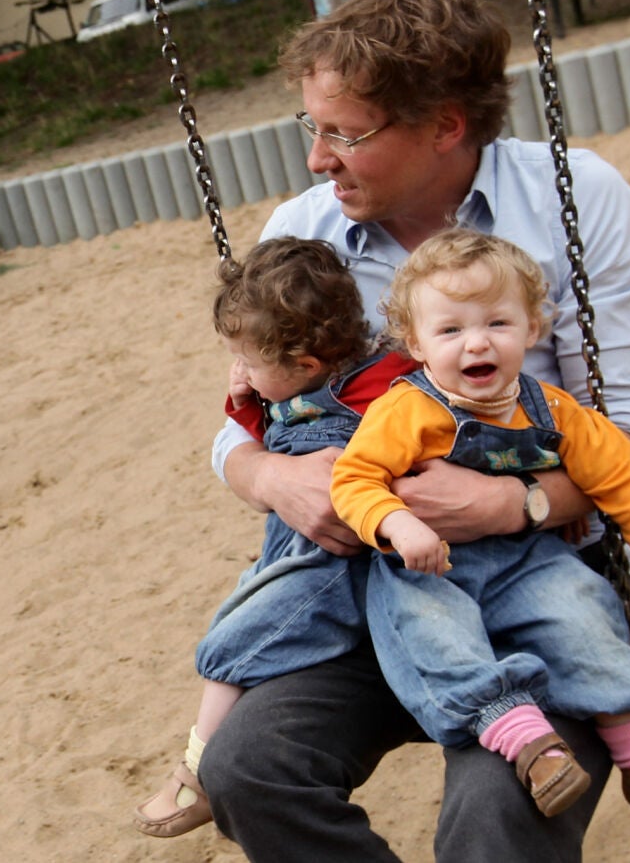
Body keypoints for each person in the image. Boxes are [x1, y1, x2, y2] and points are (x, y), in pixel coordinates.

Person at [199, 0, 630, 861]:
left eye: (346, 133)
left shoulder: (576, 199)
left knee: (495, 816)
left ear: (446, 125)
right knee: (248, 767)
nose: (318, 158)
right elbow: (241, 426)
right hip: (368, 590)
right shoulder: (306, 232)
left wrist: (514, 504)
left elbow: (624, 426)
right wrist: (276, 479)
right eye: (312, 127)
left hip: (541, 579)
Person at [333, 228, 630, 830]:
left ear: (531, 329)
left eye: (497, 323)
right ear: (416, 344)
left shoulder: (555, 411)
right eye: (450, 330)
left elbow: (627, 483)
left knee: (585, 615)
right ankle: (529, 743)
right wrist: (396, 522)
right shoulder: (404, 411)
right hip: (429, 566)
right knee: (430, 634)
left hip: (527, 559)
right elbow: (353, 479)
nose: (477, 342)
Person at [135, 237, 419, 838]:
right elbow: (271, 433)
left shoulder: (388, 387)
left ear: (307, 365)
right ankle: (212, 760)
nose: (240, 372)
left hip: (338, 566)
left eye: (248, 363)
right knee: (243, 614)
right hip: (289, 553)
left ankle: (197, 768)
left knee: (228, 646)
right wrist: (246, 403)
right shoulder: (298, 385)